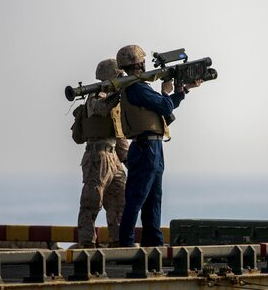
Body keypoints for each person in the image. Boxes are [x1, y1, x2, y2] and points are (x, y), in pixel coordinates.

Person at [117, 44, 201, 247]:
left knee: (153, 199)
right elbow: (164, 105)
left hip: (152, 147)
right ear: (138, 63)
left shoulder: (138, 88)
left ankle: (153, 244)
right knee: (137, 198)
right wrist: (166, 91)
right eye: (142, 61)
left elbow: (164, 106)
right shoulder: (136, 88)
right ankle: (126, 245)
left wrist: (183, 91)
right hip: (146, 148)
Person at [76, 59, 129, 248]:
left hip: (113, 156)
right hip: (97, 155)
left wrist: (127, 159)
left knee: (119, 201)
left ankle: (117, 240)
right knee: (92, 201)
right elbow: (101, 108)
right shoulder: (95, 97)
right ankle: (87, 242)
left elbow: (119, 133)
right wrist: (118, 94)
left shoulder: (115, 98)